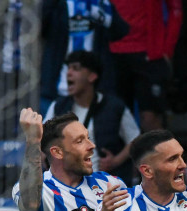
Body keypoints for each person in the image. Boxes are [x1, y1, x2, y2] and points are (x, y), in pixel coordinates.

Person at [44, 50, 141, 185]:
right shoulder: (58, 106)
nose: (69, 73)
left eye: (76, 69)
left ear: (92, 76)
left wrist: (115, 161)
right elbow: (42, 141)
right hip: (66, 186)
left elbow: (136, 139)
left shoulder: (114, 107)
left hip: (104, 187)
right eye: (68, 68)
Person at [109, 0, 182, 132]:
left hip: (149, 54)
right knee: (117, 121)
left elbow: (176, 9)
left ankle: (164, 152)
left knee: (150, 119)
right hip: (113, 54)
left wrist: (167, 49)